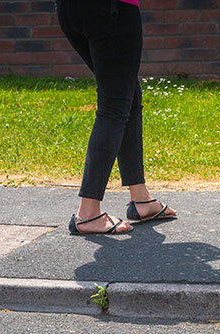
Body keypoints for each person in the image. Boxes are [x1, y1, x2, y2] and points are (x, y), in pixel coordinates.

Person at [56, 0, 176, 235]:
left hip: (70, 9)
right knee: (114, 105)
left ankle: (141, 198)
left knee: (126, 92)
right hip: (112, 9)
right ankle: (88, 213)